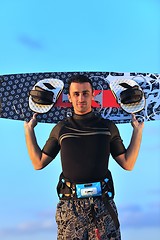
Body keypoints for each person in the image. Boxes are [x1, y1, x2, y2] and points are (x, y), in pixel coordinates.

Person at [24, 74, 144, 240]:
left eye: (85, 93)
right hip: (70, 208)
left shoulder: (108, 127)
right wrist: (29, 130)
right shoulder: (61, 129)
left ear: (93, 95)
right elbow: (38, 162)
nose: (81, 98)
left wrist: (137, 131)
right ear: (70, 97)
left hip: (102, 206)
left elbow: (127, 163)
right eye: (76, 94)